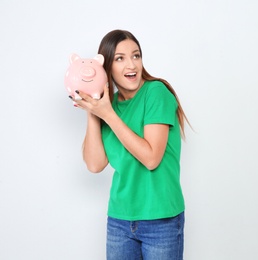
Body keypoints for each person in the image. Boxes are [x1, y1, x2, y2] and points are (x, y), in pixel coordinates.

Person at [70, 29, 189, 260]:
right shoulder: (108, 105)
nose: (131, 65)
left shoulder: (156, 92)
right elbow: (95, 165)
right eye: (120, 58)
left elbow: (152, 158)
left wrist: (108, 115)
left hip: (161, 220)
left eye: (136, 55)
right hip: (119, 221)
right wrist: (93, 110)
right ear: (106, 68)